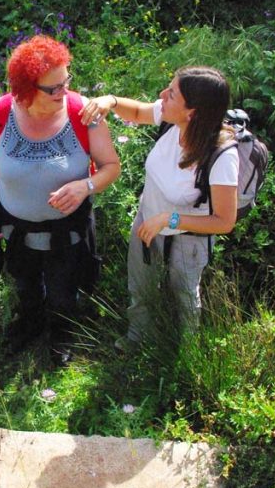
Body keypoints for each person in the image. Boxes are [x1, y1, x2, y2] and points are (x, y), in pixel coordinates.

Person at [0, 36, 121, 365]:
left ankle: (61, 333)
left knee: (63, 290)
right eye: (52, 88)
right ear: (25, 89)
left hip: (67, 228)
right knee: (24, 283)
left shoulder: (84, 114)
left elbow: (112, 166)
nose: (63, 92)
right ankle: (30, 322)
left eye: (66, 81)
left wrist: (85, 186)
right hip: (14, 226)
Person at [78, 66, 238, 348]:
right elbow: (138, 112)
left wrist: (170, 219)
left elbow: (224, 221)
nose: (162, 95)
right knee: (140, 285)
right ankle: (139, 338)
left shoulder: (222, 156)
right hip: (147, 217)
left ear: (193, 112)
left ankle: (186, 353)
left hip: (187, 236)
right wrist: (111, 101)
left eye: (172, 94)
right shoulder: (170, 119)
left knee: (185, 295)